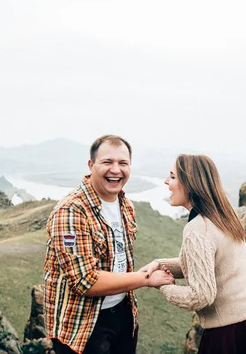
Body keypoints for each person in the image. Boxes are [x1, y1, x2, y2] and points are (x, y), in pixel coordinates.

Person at [144, 154, 246, 354]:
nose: (166, 182)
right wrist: (160, 264)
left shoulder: (197, 229)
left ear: (190, 184)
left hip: (233, 328)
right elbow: (202, 264)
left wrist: (162, 286)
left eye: (172, 177)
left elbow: (201, 296)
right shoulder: (222, 214)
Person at [43, 135, 174, 354]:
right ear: (91, 165)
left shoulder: (125, 205)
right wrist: (146, 279)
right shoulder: (71, 211)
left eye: (123, 163)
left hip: (122, 313)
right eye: (107, 162)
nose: (116, 170)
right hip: (82, 326)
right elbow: (85, 281)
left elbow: (120, 262)